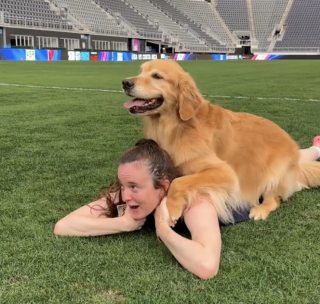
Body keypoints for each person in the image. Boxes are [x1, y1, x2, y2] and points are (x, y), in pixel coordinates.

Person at [54, 136, 320, 280]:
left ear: (163, 187)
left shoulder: (195, 201)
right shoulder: (129, 195)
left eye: (134, 187)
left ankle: (314, 148)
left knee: (294, 168)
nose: (125, 195)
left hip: (253, 182)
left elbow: (206, 266)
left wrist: (164, 230)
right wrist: (122, 223)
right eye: (124, 185)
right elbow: (63, 226)